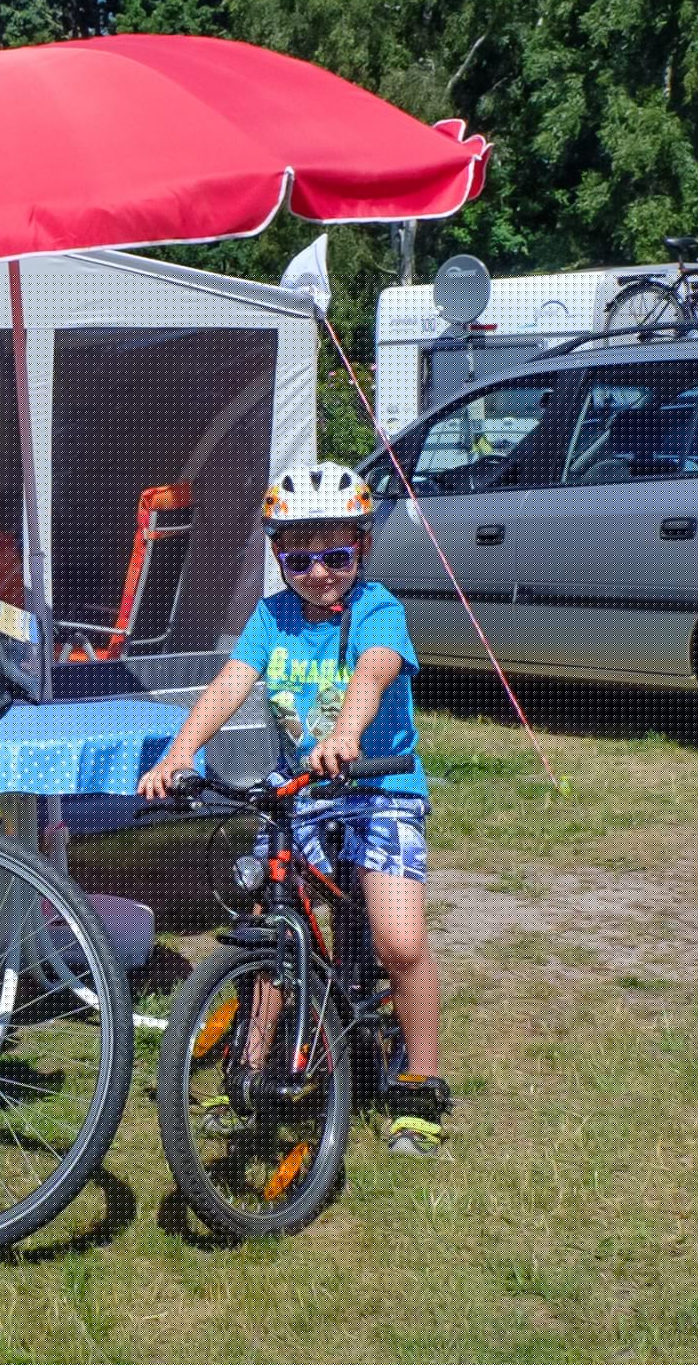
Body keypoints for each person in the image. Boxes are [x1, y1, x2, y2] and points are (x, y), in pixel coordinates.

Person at [138, 460, 452, 1159]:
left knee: (398, 942)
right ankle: (249, 1066)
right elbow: (231, 682)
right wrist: (179, 751)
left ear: (360, 550)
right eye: (299, 556)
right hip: (302, 791)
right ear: (278, 555)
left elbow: (373, 670)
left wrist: (344, 735)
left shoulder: (377, 608)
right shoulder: (271, 615)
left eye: (335, 555)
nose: (317, 572)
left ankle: (420, 1082)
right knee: (268, 926)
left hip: (380, 786)